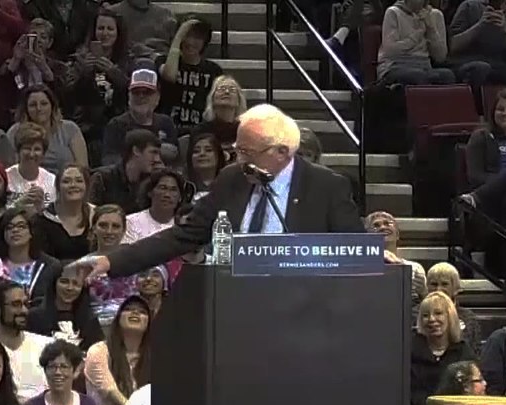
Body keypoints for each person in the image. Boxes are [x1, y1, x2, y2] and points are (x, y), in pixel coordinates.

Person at [79, 104, 363, 278]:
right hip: (236, 303)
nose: (239, 161)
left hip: (304, 309)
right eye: (238, 151)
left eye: (248, 153)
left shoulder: (326, 187)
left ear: (281, 152)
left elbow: (355, 255)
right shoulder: (231, 180)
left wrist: (375, 255)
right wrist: (111, 260)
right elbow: (183, 235)